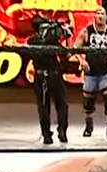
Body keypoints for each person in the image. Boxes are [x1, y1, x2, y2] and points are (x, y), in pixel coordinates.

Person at [74, 7, 107, 141]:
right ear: (94, 17)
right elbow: (75, 47)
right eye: (97, 13)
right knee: (88, 101)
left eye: (102, 13)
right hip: (91, 71)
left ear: (106, 17)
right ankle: (88, 126)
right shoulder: (86, 32)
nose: (100, 16)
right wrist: (82, 61)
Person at [27, 16, 70, 145]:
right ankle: (61, 131)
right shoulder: (49, 40)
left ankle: (48, 134)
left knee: (44, 106)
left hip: (41, 76)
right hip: (52, 75)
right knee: (60, 105)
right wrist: (64, 37)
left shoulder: (31, 41)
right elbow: (66, 54)